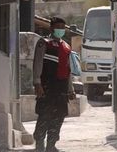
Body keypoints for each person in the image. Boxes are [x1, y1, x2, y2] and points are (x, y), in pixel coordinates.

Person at [33, 17, 76, 152]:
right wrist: (37, 83)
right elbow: (37, 64)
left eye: (63, 28)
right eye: (58, 27)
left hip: (61, 88)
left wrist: (71, 89)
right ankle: (39, 144)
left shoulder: (66, 46)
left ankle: (51, 145)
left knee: (59, 116)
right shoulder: (44, 43)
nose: (61, 30)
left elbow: (68, 70)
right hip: (47, 86)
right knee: (44, 115)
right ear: (51, 28)